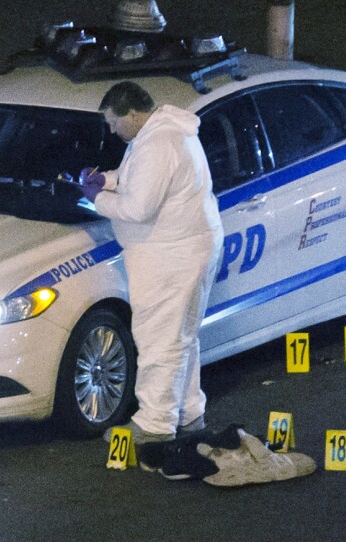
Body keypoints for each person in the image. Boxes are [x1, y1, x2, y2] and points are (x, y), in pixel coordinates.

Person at [79, 81, 224, 444]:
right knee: (182, 337)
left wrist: (96, 197)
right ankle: (189, 413)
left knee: (159, 339)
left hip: (169, 256)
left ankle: (154, 425)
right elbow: (142, 182)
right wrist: (110, 179)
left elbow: (137, 208)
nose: (111, 130)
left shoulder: (158, 144)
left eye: (114, 122)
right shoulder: (165, 134)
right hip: (187, 248)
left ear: (133, 113)